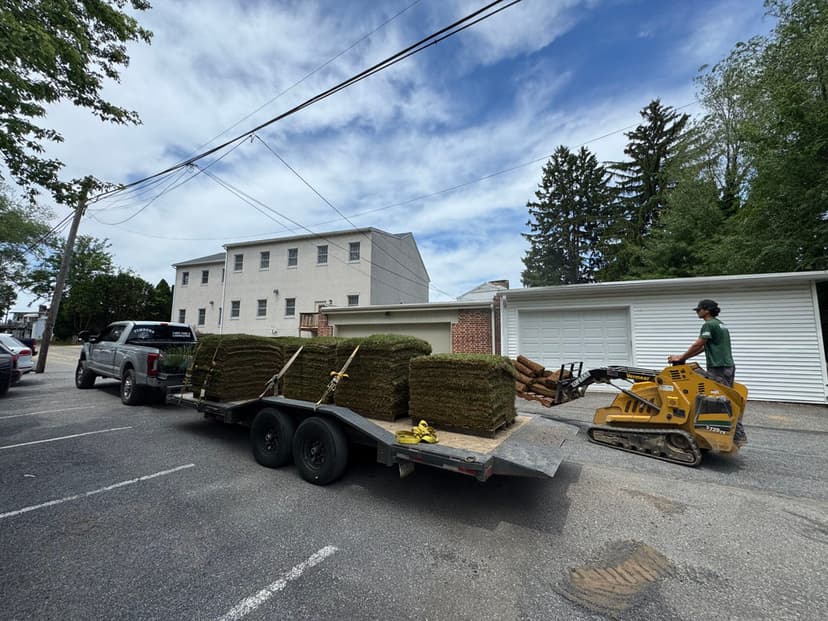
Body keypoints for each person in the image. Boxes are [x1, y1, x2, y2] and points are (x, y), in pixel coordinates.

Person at [668, 299, 747, 446]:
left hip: (718, 367)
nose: (697, 312)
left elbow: (698, 343)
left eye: (699, 310)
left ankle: (732, 436)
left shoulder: (709, 324)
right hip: (726, 366)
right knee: (725, 397)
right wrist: (684, 357)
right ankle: (730, 434)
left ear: (706, 310)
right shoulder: (719, 324)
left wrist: (680, 357)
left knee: (721, 400)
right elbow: (702, 348)